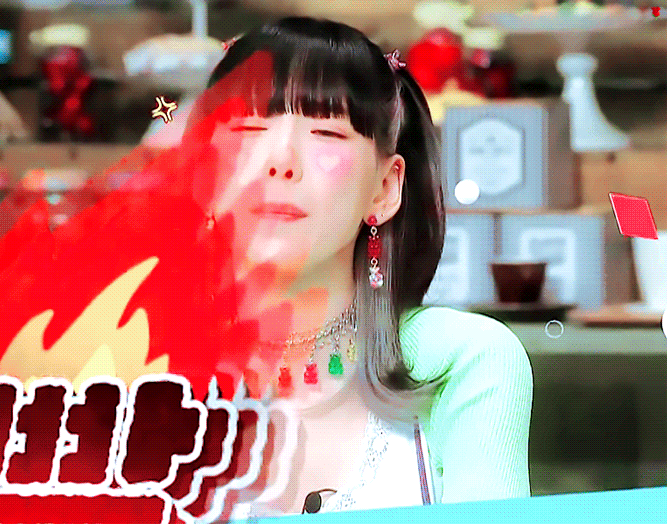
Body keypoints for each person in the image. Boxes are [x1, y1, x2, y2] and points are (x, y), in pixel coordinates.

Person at [179, 16, 533, 518]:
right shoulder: (132, 366)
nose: (280, 161)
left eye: (325, 132)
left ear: (384, 190)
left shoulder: (460, 362)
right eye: (250, 128)